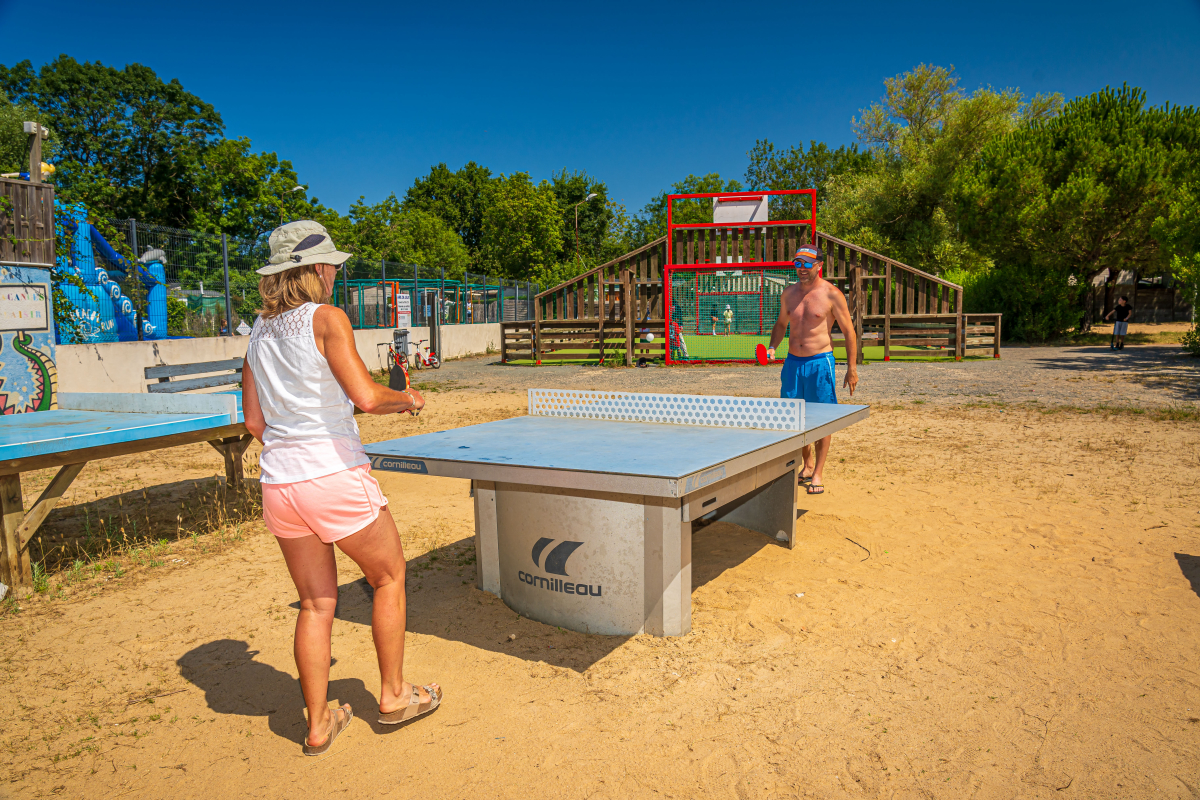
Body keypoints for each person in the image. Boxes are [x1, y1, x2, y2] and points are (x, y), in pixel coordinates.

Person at [241, 220, 440, 757]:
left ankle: (318, 725)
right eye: (329, 263)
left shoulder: (256, 334)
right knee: (390, 576)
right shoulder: (327, 319)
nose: (334, 272)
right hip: (331, 474)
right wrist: (410, 399)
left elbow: (255, 423)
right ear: (312, 270)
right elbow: (368, 397)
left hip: (280, 483)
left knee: (314, 603)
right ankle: (395, 696)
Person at [766, 245, 858, 495]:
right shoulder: (788, 294)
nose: (802, 269)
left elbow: (849, 332)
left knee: (822, 419)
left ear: (819, 265)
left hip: (820, 362)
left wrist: (851, 368)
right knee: (792, 418)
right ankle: (806, 466)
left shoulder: (831, 294)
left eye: (807, 264)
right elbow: (780, 324)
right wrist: (773, 347)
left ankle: (818, 472)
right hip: (793, 364)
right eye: (798, 264)